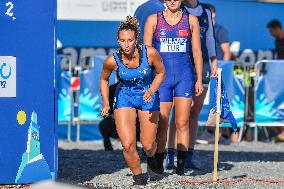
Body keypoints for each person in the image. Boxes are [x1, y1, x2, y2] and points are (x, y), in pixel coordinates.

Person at [100, 16, 165, 185]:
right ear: (118, 41)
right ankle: (139, 178)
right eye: (122, 41)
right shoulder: (111, 60)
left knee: (148, 144)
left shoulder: (149, 53)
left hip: (147, 96)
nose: (126, 44)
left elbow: (160, 73)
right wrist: (106, 103)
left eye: (130, 40)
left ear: (136, 39)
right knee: (128, 144)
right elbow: (103, 79)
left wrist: (152, 89)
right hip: (124, 97)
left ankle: (151, 158)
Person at [144, 0, 203, 175]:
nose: (172, 1)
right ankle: (160, 163)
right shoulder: (153, 19)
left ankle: (180, 168)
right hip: (161, 78)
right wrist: (147, 80)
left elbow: (197, 51)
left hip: (184, 77)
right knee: (162, 123)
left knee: (182, 122)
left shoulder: (191, 20)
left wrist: (199, 79)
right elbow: (146, 52)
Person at [165, 0, 218, 170]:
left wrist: (214, 62)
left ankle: (189, 155)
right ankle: (171, 154)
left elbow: (210, 39)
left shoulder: (206, 11)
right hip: (182, 65)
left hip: (203, 67)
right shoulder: (178, 9)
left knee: (194, 111)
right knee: (179, 112)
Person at [98, 83, 141, 151]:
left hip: (133, 120)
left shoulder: (136, 89)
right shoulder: (111, 89)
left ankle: (136, 146)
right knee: (103, 125)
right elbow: (107, 109)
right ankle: (108, 146)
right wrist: (111, 114)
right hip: (115, 120)